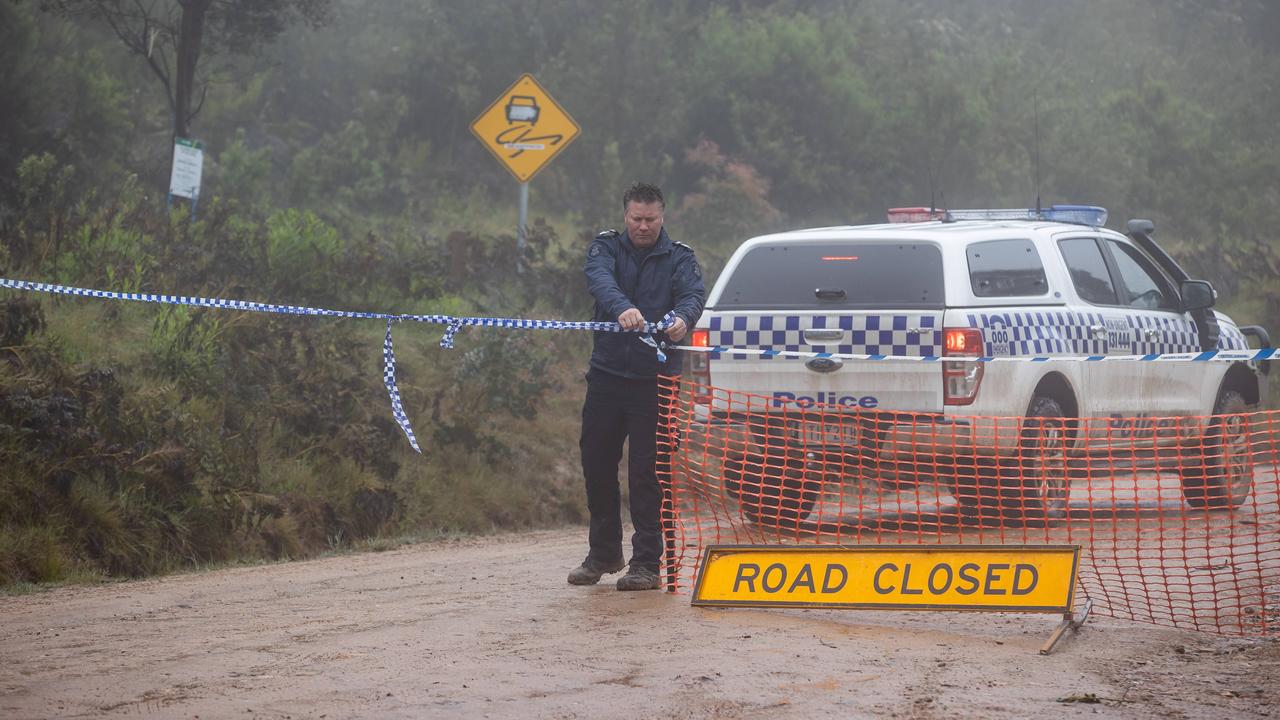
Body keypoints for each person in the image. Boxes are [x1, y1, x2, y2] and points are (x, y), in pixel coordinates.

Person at [569, 182, 706, 591]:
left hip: (656, 383)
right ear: (625, 216)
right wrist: (623, 308)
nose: (643, 226)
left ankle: (646, 562)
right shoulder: (605, 248)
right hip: (608, 375)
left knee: (649, 473)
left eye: (650, 219)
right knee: (596, 462)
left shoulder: (680, 257)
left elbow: (693, 295)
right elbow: (599, 281)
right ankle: (603, 553)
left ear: (662, 217)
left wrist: (684, 317)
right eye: (636, 219)